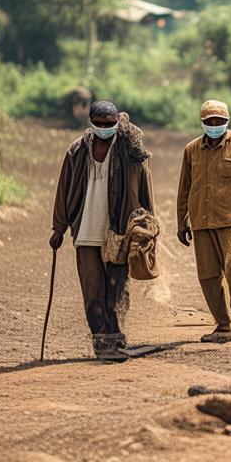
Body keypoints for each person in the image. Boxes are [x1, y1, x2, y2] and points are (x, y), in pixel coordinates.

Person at [51, 100, 156, 362]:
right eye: (98, 124)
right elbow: (63, 189)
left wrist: (148, 226)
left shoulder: (131, 150)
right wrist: (58, 228)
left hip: (119, 231)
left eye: (109, 124)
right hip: (86, 230)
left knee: (115, 290)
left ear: (116, 122)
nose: (104, 128)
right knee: (92, 291)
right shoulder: (77, 151)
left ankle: (116, 337)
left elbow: (145, 189)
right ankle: (101, 342)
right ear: (91, 122)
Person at [176, 100, 231, 343]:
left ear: (227, 122)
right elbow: (185, 188)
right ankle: (223, 325)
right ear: (202, 122)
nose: (215, 125)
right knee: (208, 275)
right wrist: (181, 222)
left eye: (220, 121)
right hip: (201, 220)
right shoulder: (191, 150)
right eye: (210, 121)